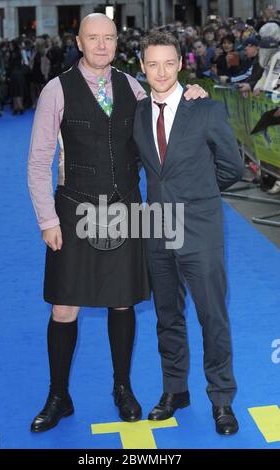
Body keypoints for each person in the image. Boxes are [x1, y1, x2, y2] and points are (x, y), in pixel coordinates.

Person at [28, 14, 207, 433]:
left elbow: (165, 116)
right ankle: (59, 395)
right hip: (73, 210)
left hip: (125, 210)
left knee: (122, 301)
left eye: (108, 38)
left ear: (116, 43)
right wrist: (47, 219)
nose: (102, 45)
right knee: (64, 306)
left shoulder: (132, 86)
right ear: (79, 42)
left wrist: (191, 94)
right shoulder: (56, 90)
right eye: (93, 38)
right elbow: (38, 161)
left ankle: (122, 387)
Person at [133, 31, 244, 435]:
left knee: (212, 316)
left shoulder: (207, 109)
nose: (161, 72)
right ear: (142, 68)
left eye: (168, 63)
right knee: (167, 316)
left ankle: (221, 399)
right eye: (152, 64)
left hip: (200, 228)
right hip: (157, 230)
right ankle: (174, 391)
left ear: (180, 64)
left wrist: (198, 196)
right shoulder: (138, 113)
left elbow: (231, 168)